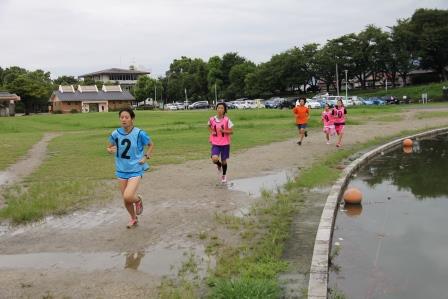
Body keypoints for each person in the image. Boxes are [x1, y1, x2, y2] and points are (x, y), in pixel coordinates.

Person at [107, 108, 154, 228]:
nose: (123, 119)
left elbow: (151, 145)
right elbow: (109, 147)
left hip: (135, 169)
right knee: (126, 199)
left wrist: (145, 156)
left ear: (132, 119)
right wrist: (110, 150)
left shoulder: (139, 133)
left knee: (128, 196)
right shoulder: (115, 133)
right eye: (121, 117)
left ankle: (138, 200)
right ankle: (133, 218)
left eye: (126, 117)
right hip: (121, 170)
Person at [208, 102, 233, 183]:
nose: (220, 109)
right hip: (215, 143)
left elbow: (231, 131)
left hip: (225, 143)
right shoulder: (212, 119)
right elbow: (209, 126)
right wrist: (212, 132)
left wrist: (223, 131)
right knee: (214, 159)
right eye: (218, 108)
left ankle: (224, 175)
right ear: (216, 109)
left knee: (224, 161)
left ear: (224, 110)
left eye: (222, 108)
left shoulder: (227, 120)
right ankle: (219, 165)